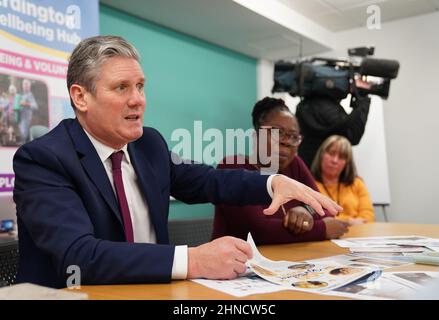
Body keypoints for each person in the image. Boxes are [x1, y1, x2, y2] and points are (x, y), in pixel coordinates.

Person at [12, 35, 341, 289]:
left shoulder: (148, 144)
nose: (137, 99)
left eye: (140, 86)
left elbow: (209, 181)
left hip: (154, 291)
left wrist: (272, 183)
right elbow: (79, 257)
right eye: (121, 87)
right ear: (80, 97)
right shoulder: (43, 159)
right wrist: (193, 259)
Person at [212, 97, 348, 245]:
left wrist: (306, 211)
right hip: (237, 264)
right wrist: (322, 229)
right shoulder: (233, 166)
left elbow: (323, 208)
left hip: (286, 261)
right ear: (256, 137)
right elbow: (258, 231)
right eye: (277, 133)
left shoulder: (295, 165)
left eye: (293, 136)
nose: (286, 141)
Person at [295, 87, 371, 168]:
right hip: (321, 173)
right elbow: (354, 135)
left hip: (307, 170)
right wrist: (363, 99)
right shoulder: (327, 108)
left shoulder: (305, 104)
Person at [311, 135, 375, 225]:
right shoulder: (309, 183)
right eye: (331, 153)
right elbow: (314, 217)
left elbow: (368, 217)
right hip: (323, 235)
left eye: (341, 157)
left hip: (357, 235)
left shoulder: (357, 183)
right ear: (321, 155)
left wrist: (337, 221)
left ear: (347, 163)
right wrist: (349, 221)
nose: (335, 160)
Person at [19, 79, 38, 143]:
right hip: (20, 119)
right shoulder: (21, 95)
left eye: (26, 85)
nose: (25, 86)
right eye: (24, 84)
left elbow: (35, 106)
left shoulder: (30, 95)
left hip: (27, 120)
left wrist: (26, 104)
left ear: (29, 86)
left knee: (25, 136)